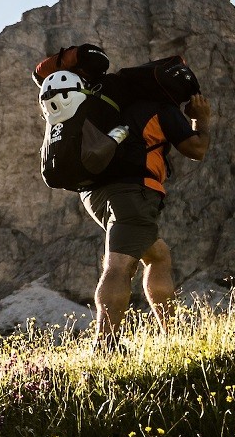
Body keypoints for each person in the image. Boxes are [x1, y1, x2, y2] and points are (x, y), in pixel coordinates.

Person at [79, 90, 211, 350]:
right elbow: (197, 149)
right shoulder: (160, 107)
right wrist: (202, 120)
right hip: (132, 190)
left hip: (92, 194)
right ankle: (104, 347)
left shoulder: (110, 105)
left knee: (158, 255)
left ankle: (171, 338)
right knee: (119, 265)